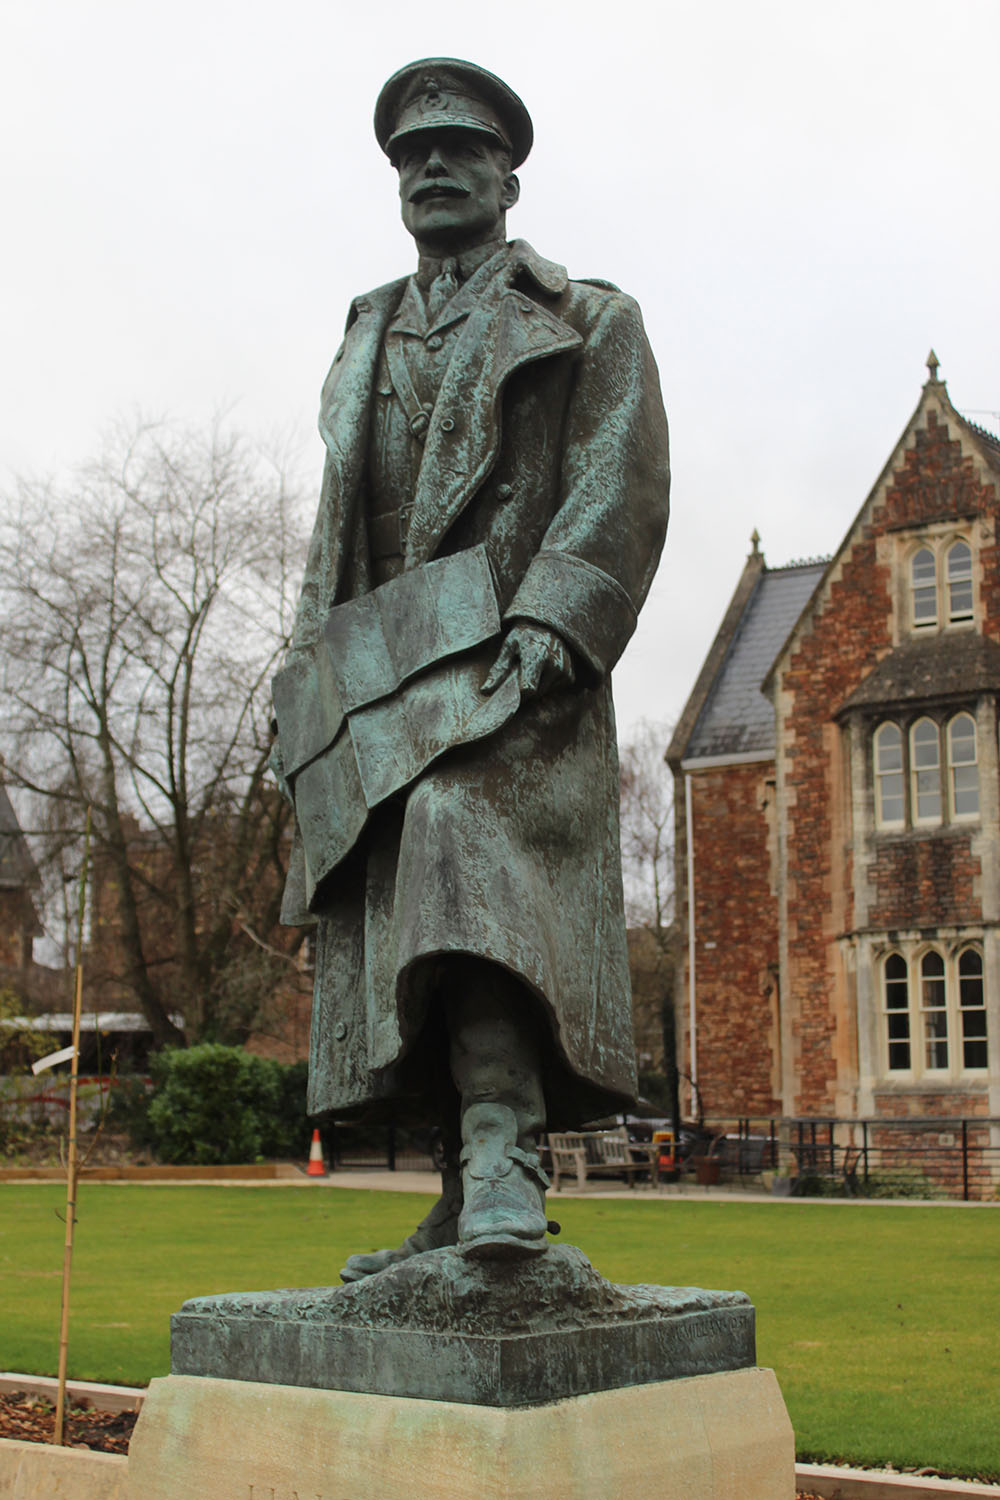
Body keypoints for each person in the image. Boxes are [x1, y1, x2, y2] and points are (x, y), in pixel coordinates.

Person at [272, 58, 669, 1277]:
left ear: (508, 173)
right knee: (390, 916)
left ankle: (507, 1155)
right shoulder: (367, 327)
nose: (431, 169)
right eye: (410, 155)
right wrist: (301, 679)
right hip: (375, 671)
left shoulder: (588, 317)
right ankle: (458, 1191)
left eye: (457, 148)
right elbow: (339, 523)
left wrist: (558, 618)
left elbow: (619, 484)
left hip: (507, 665)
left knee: (456, 856)